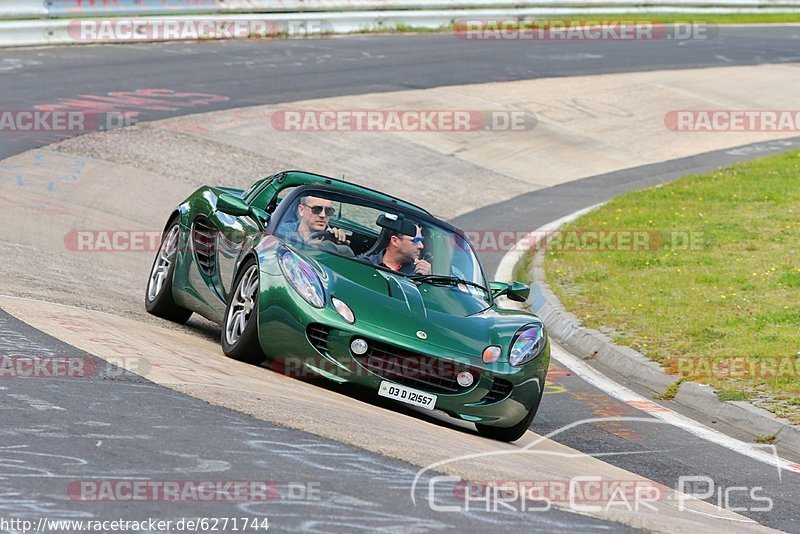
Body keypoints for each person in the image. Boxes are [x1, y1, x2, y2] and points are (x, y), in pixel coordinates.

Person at [287, 195, 352, 255]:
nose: (323, 215)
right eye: (316, 209)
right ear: (301, 210)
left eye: (328, 211)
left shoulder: (332, 239)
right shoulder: (283, 231)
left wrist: (341, 247)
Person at [366, 222, 432, 276]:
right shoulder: (366, 264)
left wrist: (428, 280)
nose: (421, 246)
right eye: (415, 241)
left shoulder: (418, 272)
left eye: (421, 241)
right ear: (395, 241)